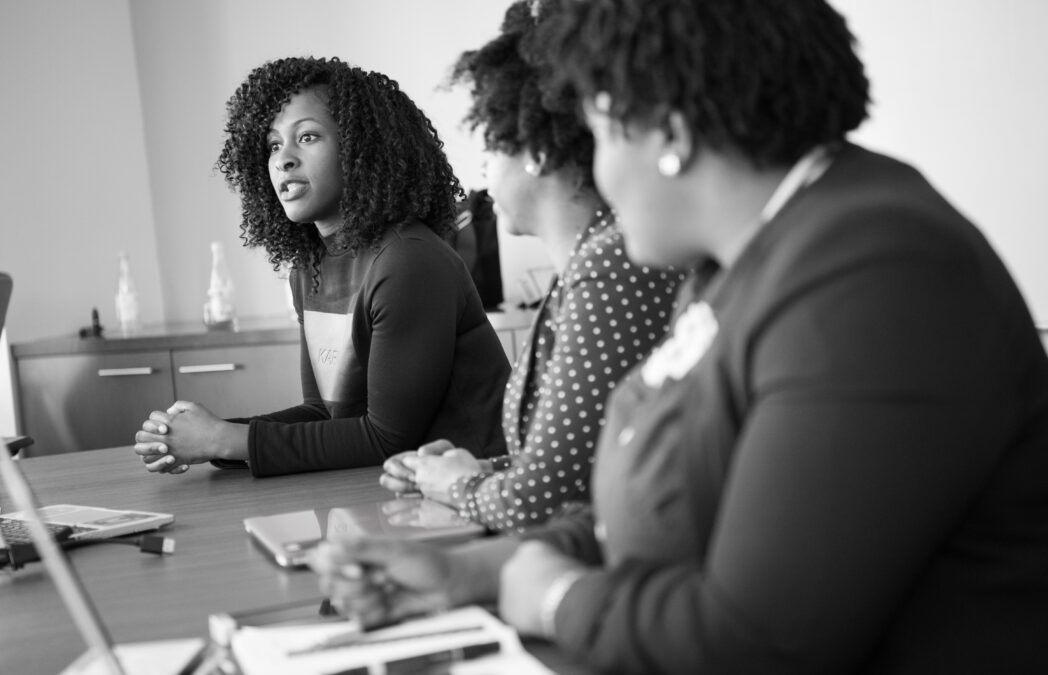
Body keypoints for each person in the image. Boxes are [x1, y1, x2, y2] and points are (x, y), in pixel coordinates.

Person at [313, 1, 1048, 673]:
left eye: (599, 134)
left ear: (668, 131)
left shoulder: (876, 273)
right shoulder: (732, 267)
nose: (596, 172)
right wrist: (475, 572)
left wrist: (557, 598)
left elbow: (760, 642)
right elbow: (655, 512)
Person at [378, 1, 685, 533]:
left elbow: (542, 503)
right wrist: (475, 470)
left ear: (536, 150)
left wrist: (455, 486)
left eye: (492, 143)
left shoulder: (610, 266)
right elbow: (576, 465)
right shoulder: (590, 263)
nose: (482, 168)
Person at [132, 57, 510, 478]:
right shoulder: (308, 268)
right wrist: (208, 438)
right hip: (391, 485)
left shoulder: (408, 260)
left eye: (307, 136)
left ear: (361, 147)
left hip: (475, 492)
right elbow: (325, 413)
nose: (282, 160)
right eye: (274, 145)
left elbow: (388, 438)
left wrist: (227, 439)